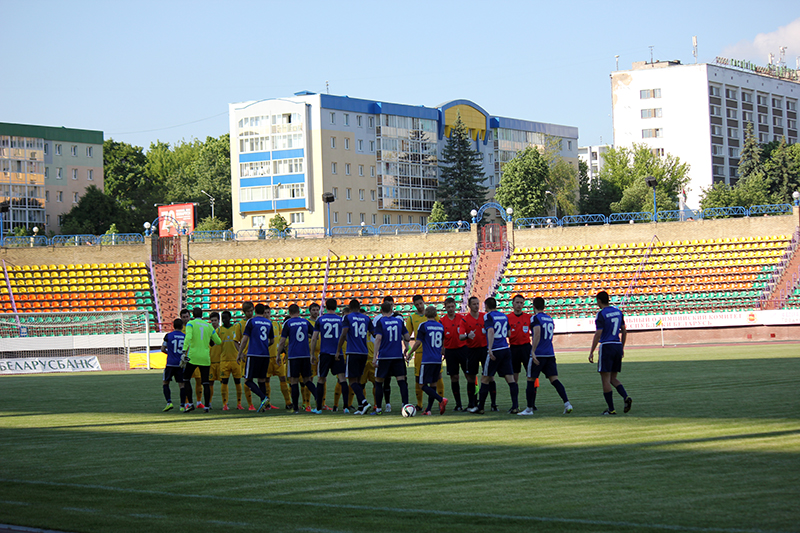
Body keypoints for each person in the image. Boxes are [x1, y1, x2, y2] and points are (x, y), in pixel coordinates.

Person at [519, 297, 573, 416]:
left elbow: (537, 334)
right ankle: (567, 403)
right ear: (544, 306)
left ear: (533, 306)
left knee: (530, 379)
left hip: (539, 353)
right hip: (549, 353)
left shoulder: (535, 318)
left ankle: (529, 409)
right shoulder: (549, 318)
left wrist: (533, 351)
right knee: (554, 379)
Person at [468, 298, 519, 414]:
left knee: (485, 378)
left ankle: (480, 407)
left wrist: (490, 348)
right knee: (510, 379)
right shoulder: (504, 316)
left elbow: (490, 331)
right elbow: (509, 333)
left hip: (495, 349)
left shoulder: (488, 316)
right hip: (505, 349)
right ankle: (515, 406)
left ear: (486, 306)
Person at [589, 291, 632, 415]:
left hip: (607, 346)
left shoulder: (601, 314)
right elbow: (624, 331)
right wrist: (622, 347)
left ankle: (611, 409)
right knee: (613, 378)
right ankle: (626, 397)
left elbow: (598, 334)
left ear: (599, 301)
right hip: (617, 345)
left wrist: (591, 351)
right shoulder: (618, 312)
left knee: (605, 380)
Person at [275, 304, 320, 414]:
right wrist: (307, 336)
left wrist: (278, 354)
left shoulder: (288, 323)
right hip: (305, 355)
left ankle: (295, 408)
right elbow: (316, 335)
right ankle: (318, 398)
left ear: (289, 313)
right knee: (307, 380)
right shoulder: (305, 322)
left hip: (293, 356)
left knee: (294, 381)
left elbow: (282, 341)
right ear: (299, 312)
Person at [407, 306, 448, 415]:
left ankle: (441, 399)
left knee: (422, 385)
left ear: (425, 315)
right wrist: (443, 351)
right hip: (437, 360)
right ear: (436, 315)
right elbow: (443, 342)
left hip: (427, 360)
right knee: (433, 385)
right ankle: (428, 410)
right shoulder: (440, 326)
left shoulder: (423, 325)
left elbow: (418, 342)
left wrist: (410, 352)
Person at [371, 302, 411, 415]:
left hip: (384, 357)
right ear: (392, 310)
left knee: (379, 381)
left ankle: (379, 409)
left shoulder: (380, 321)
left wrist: (375, 357)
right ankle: (405, 406)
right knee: (401, 381)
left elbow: (378, 338)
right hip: (397, 356)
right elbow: (407, 337)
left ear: (381, 311)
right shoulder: (399, 321)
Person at [336, 299, 374, 415]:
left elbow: (344, 334)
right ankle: (361, 407)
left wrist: (338, 350)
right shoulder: (366, 318)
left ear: (349, 307)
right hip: (364, 352)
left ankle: (364, 402)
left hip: (352, 352)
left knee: (352, 381)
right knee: (358, 380)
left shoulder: (348, 317)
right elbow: (374, 333)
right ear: (359, 306)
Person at [182, 307, 222, 413]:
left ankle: (190, 404)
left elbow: (188, 337)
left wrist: (184, 351)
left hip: (193, 356)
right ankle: (207, 406)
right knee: (205, 382)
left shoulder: (190, 324)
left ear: (193, 315)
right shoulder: (208, 326)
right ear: (202, 315)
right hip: (205, 357)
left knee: (186, 379)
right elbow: (218, 341)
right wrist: (209, 340)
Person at [236, 303, 274, 412]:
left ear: (255, 311)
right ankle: (266, 406)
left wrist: (239, 353)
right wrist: (264, 345)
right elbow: (272, 341)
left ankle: (264, 398)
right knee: (262, 380)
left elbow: (244, 339)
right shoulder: (269, 323)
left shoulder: (251, 321)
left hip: (253, 354)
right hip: (265, 355)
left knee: (247, 380)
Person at [311, 299, 346, 412]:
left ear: (326, 307)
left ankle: (319, 408)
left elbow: (314, 338)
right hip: (338, 353)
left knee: (321, 379)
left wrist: (312, 354)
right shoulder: (340, 320)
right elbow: (344, 336)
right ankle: (346, 407)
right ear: (336, 307)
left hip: (325, 353)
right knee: (342, 379)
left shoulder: (320, 319)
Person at [462, 296, 496, 410]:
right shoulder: (465, 319)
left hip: (484, 350)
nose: (476, 306)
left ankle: (493, 404)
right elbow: (461, 336)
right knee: (471, 377)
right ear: (469, 306)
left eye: (478, 303)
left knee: (490, 376)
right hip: (471, 351)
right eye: (474, 304)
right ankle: (472, 403)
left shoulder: (485, 317)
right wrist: (467, 336)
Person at [440, 297, 469, 411]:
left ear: (455, 306)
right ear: (445, 307)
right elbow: (441, 337)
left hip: (463, 349)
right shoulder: (442, 321)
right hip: (450, 351)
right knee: (454, 377)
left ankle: (472, 402)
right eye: (448, 307)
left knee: (469, 375)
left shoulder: (462, 319)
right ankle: (458, 404)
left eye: (452, 306)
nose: (451, 309)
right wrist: (442, 348)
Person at [265, 304, 292, 409]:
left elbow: (282, 339)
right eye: (265, 313)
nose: (267, 314)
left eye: (268, 312)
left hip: (277, 356)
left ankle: (288, 403)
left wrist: (283, 352)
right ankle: (267, 404)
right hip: (266, 357)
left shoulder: (276, 324)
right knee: (266, 380)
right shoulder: (262, 325)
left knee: (283, 378)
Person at [216, 310, 244, 411]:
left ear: (230, 318)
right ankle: (225, 404)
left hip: (235, 359)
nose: (224, 320)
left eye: (226, 318)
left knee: (238, 381)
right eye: (222, 318)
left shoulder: (235, 328)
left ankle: (239, 403)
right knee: (224, 382)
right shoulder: (219, 330)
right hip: (224, 360)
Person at [181, 308, 204, 409]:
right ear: (181, 318)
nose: (186, 319)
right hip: (186, 358)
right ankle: (187, 402)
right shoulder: (180, 329)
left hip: (196, 356)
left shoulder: (194, 326)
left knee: (199, 380)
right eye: (184, 317)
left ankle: (199, 402)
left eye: (187, 317)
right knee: (186, 380)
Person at [160, 318, 186, 412]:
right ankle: (182, 405)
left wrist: (170, 353)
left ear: (173, 326)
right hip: (180, 364)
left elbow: (163, 349)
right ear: (182, 326)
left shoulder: (168, 336)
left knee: (165, 382)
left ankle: (169, 402)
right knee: (182, 385)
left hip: (170, 363)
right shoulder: (185, 336)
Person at [235, 302, 256, 410]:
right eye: (248, 311)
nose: (250, 313)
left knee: (264, 379)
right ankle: (250, 404)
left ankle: (266, 403)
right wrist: (241, 353)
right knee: (247, 379)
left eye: (252, 310)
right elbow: (236, 341)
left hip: (257, 354)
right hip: (246, 356)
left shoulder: (256, 322)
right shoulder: (240, 325)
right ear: (244, 312)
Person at [507, 294, 532, 385]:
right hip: (514, 348)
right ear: (513, 303)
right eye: (517, 302)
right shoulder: (508, 318)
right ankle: (514, 391)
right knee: (514, 373)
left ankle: (532, 390)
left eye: (521, 303)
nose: (519, 305)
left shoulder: (528, 317)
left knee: (531, 372)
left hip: (526, 347)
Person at [302, 302, 323, 411]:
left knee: (322, 378)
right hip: (310, 353)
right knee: (309, 378)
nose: (315, 312)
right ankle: (307, 403)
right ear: (309, 311)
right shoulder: (306, 322)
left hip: (321, 353)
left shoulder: (321, 321)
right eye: (313, 310)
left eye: (317, 310)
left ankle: (322, 403)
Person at [208, 311, 222, 407]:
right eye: (212, 321)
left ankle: (225, 403)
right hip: (211, 361)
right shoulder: (208, 331)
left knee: (223, 382)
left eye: (215, 320)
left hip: (221, 361)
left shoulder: (221, 331)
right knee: (210, 383)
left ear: (218, 320)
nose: (213, 322)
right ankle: (209, 402)